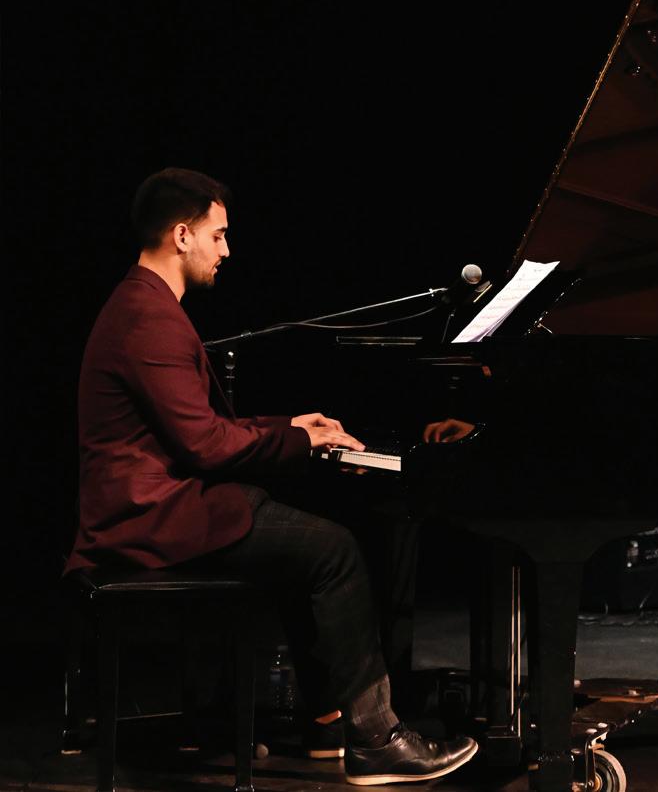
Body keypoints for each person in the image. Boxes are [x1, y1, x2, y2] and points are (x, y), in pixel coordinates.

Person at [65, 167, 478, 785]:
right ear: (182, 235)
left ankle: (325, 720)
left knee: (306, 545)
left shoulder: (142, 305)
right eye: (219, 235)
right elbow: (204, 445)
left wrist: (291, 424)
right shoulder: (149, 317)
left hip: (163, 504)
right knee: (333, 550)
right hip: (148, 518)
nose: (227, 250)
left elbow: (197, 426)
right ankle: (375, 740)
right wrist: (298, 441)